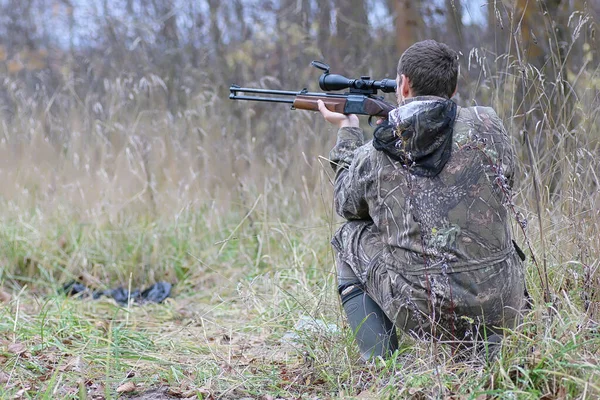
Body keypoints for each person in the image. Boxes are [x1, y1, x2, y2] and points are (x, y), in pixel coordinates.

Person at [317, 40, 526, 361]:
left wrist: (348, 132)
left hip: (422, 311)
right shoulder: (489, 126)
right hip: (504, 299)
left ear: (402, 84)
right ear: (454, 88)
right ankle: (485, 352)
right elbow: (506, 182)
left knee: (348, 235)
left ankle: (380, 367)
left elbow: (346, 206)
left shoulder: (376, 151)